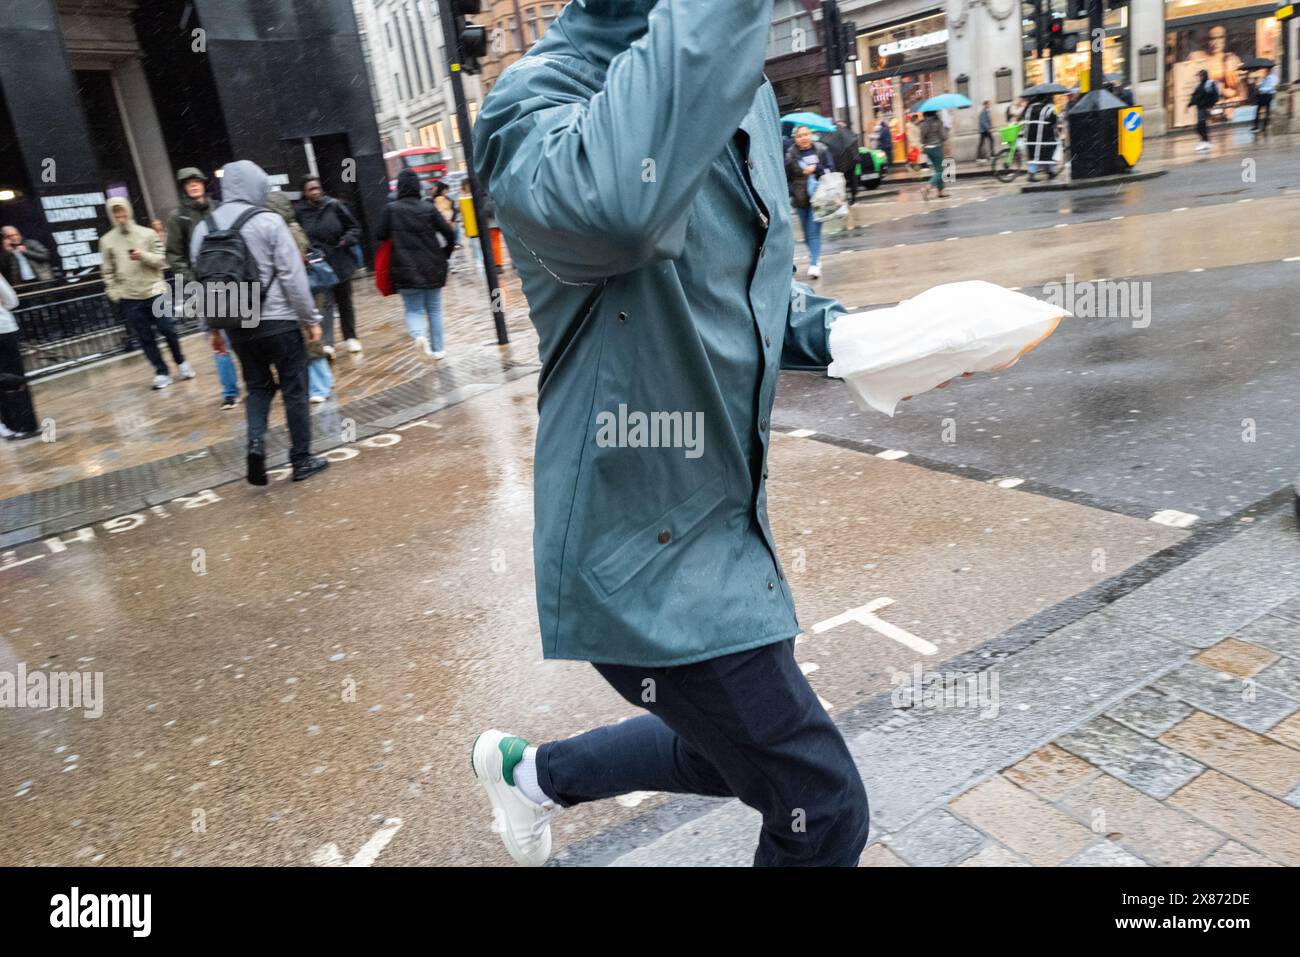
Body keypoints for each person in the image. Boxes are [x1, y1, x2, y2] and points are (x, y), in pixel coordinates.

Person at [471, 0, 870, 868]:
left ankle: (529, 773)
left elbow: (741, 286)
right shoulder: (529, 104)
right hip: (637, 552)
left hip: (728, 520)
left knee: (728, 749)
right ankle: (532, 774)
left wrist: (852, 337)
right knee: (820, 805)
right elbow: (619, 210)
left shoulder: (740, 86)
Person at [191, 162, 328, 485]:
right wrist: (310, 319)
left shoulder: (203, 227)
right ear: (257, 186)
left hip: (237, 322)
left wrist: (212, 329)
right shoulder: (269, 221)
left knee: (257, 387)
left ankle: (255, 443)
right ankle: (301, 459)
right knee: (295, 387)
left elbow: (201, 283)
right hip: (279, 320)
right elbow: (292, 277)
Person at [99, 196, 194, 390]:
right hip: (129, 297)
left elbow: (162, 260)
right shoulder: (106, 241)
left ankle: (181, 362)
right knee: (145, 336)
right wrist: (115, 292)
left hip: (155, 291)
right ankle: (161, 372)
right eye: (115, 212)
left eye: (122, 211)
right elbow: (107, 271)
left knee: (168, 329)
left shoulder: (148, 234)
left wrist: (143, 256)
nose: (120, 216)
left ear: (128, 210)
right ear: (111, 215)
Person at [166, 167, 239, 411]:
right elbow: (175, 256)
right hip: (203, 286)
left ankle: (257, 380)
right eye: (189, 183)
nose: (194, 185)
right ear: (184, 187)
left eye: (197, 181)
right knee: (218, 340)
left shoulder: (219, 208)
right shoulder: (179, 217)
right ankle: (230, 391)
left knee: (247, 332)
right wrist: (191, 282)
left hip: (231, 279)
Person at [377, 169, 457, 360]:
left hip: (404, 268)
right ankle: (438, 350)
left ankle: (419, 336)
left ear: (399, 187)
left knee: (413, 309)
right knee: (435, 308)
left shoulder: (391, 209)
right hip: (432, 265)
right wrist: (445, 254)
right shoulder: (428, 208)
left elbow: (379, 234)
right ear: (418, 186)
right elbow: (449, 233)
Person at [266, 190, 334, 404]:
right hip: (301, 291)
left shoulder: (289, 231)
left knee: (311, 339)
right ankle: (323, 381)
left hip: (305, 290)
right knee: (309, 339)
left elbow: (294, 264)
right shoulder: (286, 229)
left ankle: (320, 386)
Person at [295, 177, 363, 353]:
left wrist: (346, 239)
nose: (315, 191)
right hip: (318, 265)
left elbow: (354, 227)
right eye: (311, 189)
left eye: (317, 188)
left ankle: (351, 337)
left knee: (344, 301)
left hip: (340, 260)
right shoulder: (300, 212)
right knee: (324, 304)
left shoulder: (334, 205)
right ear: (305, 193)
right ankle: (327, 343)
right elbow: (298, 236)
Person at [784, 124, 834, 280]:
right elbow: (787, 178)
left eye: (806, 134)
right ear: (795, 139)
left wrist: (815, 168)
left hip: (819, 198)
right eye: (799, 136)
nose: (803, 138)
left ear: (811, 135)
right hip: (800, 199)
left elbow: (830, 170)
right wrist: (793, 191)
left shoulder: (821, 150)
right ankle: (816, 256)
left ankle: (813, 264)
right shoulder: (791, 154)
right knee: (807, 235)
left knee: (813, 232)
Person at [0, 272, 40, 440]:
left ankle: (8, 425)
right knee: (14, 378)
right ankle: (25, 425)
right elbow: (12, 300)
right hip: (3, 329)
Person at [1022, 94, 1060, 180]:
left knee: (1034, 155)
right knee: (1047, 153)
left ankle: (1035, 173)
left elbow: (1024, 118)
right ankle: (1048, 171)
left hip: (1030, 137)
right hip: (1044, 136)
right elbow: (1054, 121)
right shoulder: (1047, 109)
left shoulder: (1029, 108)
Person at [918, 111, 948, 200]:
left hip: (928, 149)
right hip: (937, 148)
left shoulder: (922, 124)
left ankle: (940, 192)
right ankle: (927, 188)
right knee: (940, 171)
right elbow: (944, 137)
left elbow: (922, 139)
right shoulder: (938, 122)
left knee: (938, 169)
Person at [1188, 69, 1220, 151]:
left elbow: (1214, 96)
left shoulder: (1208, 84)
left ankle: (1205, 142)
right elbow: (1195, 96)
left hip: (1204, 107)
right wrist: (1190, 104)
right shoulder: (1199, 85)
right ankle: (1205, 141)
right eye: (1199, 76)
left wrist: (1210, 104)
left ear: (1204, 76)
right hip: (1200, 108)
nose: (1199, 77)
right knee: (1200, 126)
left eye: (1200, 75)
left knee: (1201, 125)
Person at [1253, 66, 1277, 133]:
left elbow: (1271, 88)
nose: (1265, 71)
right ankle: (1257, 126)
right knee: (1259, 110)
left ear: (1269, 70)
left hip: (1267, 95)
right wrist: (1259, 86)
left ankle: (1263, 127)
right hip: (1263, 95)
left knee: (1265, 111)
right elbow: (1263, 86)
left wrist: (1260, 89)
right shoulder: (1266, 77)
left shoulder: (1272, 78)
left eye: (1266, 70)